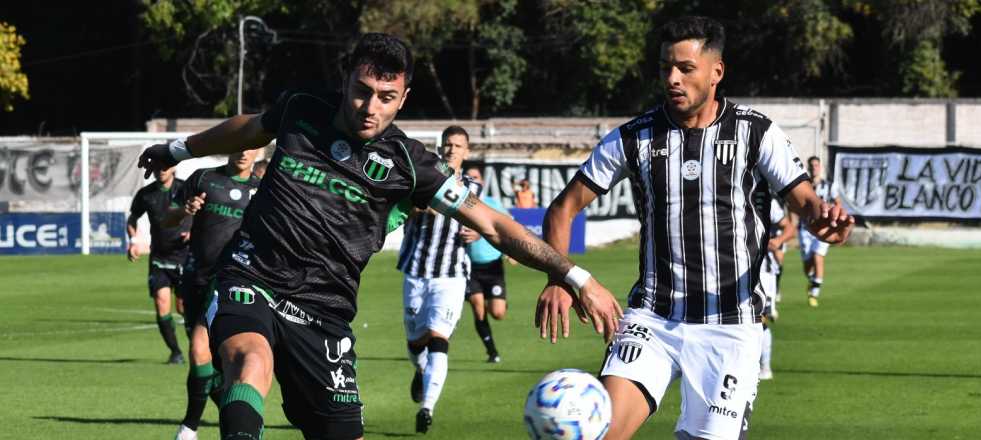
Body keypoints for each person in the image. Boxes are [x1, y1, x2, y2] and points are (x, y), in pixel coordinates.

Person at [137, 33, 620, 440]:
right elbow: (249, 131)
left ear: (403, 98)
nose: (370, 107)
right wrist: (180, 149)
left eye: (386, 97)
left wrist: (574, 275)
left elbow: (494, 223)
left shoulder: (412, 164)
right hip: (253, 274)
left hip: (324, 309)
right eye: (361, 91)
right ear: (345, 79)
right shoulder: (302, 108)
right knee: (250, 363)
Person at [536, 16, 855, 440]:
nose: (672, 78)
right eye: (666, 67)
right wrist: (559, 277)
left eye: (685, 69)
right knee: (598, 431)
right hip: (652, 318)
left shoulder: (754, 132)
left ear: (716, 72)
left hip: (730, 325)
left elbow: (805, 201)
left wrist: (825, 221)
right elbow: (563, 208)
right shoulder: (635, 138)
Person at [163, 150, 261, 440]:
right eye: (239, 144)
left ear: (259, 150)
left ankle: (189, 428)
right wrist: (185, 211)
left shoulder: (263, 190)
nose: (243, 152)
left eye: (250, 146)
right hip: (195, 278)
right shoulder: (203, 178)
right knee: (211, 366)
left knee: (199, 349)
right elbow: (168, 219)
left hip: (233, 280)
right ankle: (237, 422)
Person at [396, 125, 480, 432]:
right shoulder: (420, 180)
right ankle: (420, 370)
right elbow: (406, 209)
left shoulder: (473, 189)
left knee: (438, 337)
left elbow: (481, 220)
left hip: (451, 276)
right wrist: (421, 209)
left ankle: (427, 408)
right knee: (415, 341)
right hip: (416, 270)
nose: (451, 150)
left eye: (458, 146)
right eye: (447, 144)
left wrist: (477, 231)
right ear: (440, 147)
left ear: (466, 152)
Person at [127, 167, 191, 364]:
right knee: (161, 303)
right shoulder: (146, 194)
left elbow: (204, 212)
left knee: (183, 308)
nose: (161, 170)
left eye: (165, 165)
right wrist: (133, 241)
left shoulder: (186, 189)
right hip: (159, 258)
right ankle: (175, 352)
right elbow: (133, 218)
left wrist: (193, 232)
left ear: (173, 168)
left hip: (185, 257)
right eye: (158, 166)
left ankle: (201, 349)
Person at [460, 166, 511, 363]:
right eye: (469, 177)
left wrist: (511, 252)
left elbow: (507, 228)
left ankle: (501, 301)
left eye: (476, 177)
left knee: (497, 313)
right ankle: (492, 351)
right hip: (469, 267)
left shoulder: (492, 204)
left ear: (482, 181)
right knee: (477, 307)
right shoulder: (458, 203)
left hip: (493, 267)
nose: (472, 180)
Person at [758, 197, 795, 381]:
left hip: (764, 271)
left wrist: (777, 240)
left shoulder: (767, 203)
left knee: (760, 320)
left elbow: (790, 228)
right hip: (736, 271)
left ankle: (765, 367)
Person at [798, 156, 842, 307]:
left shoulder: (829, 186)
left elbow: (838, 204)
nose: (814, 168)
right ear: (808, 168)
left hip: (824, 229)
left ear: (820, 167)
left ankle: (814, 294)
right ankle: (812, 281)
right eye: (811, 166)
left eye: (816, 165)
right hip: (805, 228)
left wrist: (835, 221)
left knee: (818, 256)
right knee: (807, 264)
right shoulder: (803, 186)